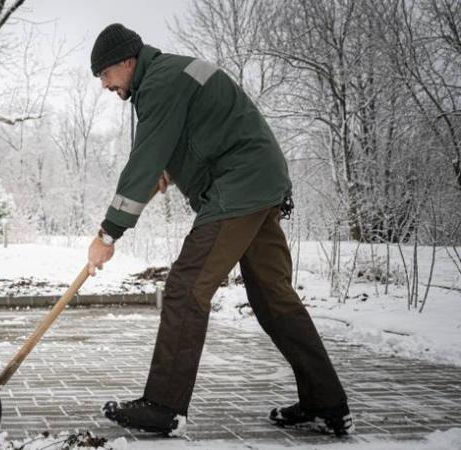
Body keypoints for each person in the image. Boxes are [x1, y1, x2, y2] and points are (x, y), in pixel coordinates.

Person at [85, 23, 353, 436]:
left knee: (186, 286)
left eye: (105, 74)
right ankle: (326, 400)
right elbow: (201, 134)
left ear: (127, 60)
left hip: (238, 185)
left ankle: (164, 406)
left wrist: (108, 234)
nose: (104, 85)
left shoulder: (159, 83)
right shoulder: (172, 73)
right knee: (272, 298)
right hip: (260, 180)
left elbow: (143, 158)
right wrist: (169, 170)